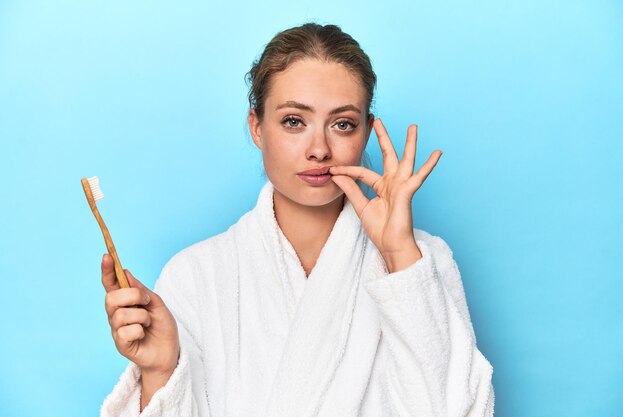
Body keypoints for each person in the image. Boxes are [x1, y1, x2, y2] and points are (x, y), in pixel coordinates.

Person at [100, 22, 495, 417]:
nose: (320, 149)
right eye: (294, 121)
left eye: (342, 124)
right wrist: (159, 372)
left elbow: (458, 410)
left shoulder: (423, 262)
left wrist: (399, 255)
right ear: (257, 127)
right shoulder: (194, 276)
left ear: (366, 132)